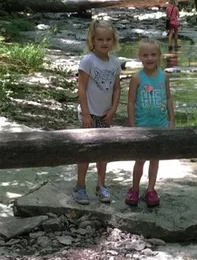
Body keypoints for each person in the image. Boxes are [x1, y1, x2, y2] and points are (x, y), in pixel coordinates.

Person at [74, 18, 122, 205]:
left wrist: (113, 109)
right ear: (92, 40)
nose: (104, 43)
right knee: (86, 151)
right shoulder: (88, 61)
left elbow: (117, 88)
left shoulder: (115, 63)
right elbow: (81, 88)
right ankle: (80, 186)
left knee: (103, 151)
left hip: (105, 114)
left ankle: (101, 185)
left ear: (113, 41)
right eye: (100, 39)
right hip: (89, 114)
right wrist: (85, 113)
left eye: (108, 39)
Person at [126, 39, 174, 208]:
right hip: (141, 126)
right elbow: (131, 102)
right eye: (145, 55)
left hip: (160, 125)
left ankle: (151, 189)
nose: (149, 58)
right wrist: (132, 125)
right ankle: (134, 188)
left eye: (153, 54)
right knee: (140, 159)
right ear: (140, 57)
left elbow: (168, 98)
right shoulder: (137, 78)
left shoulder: (164, 76)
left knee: (155, 158)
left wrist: (171, 120)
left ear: (159, 56)